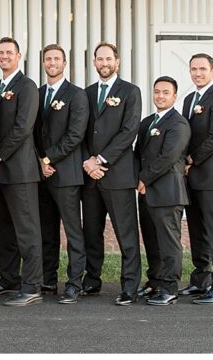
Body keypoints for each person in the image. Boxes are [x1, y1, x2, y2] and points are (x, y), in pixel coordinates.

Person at [81, 42, 143, 305]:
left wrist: (100, 160)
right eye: (99, 59)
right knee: (91, 233)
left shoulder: (130, 91)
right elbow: (80, 131)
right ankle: (92, 280)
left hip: (117, 174)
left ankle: (130, 286)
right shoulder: (86, 93)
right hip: (90, 176)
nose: (104, 63)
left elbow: (129, 131)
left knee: (126, 234)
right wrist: (87, 161)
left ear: (117, 61)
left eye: (108, 59)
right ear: (94, 63)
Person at [0, 37, 43, 307]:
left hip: (20, 170)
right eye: (1, 52)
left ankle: (32, 285)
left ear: (19, 56)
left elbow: (23, 128)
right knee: (5, 228)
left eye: (9, 52)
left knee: (27, 229)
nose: (4, 56)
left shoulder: (27, 86)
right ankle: (9, 278)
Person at [33, 44, 89, 304]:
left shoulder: (76, 95)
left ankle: (75, 283)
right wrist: (39, 161)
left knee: (72, 232)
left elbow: (75, 135)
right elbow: (33, 133)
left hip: (66, 174)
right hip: (42, 175)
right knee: (47, 231)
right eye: (48, 59)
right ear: (43, 63)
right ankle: (48, 279)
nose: (52, 62)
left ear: (65, 63)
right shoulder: (38, 92)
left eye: (56, 59)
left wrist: (48, 158)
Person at [180, 53, 213, 305]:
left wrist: (190, 160)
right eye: (193, 69)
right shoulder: (190, 99)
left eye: (202, 68)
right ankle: (200, 280)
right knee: (197, 231)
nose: (197, 73)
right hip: (192, 178)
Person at [136, 76, 191, 306]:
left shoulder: (178, 124)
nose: (160, 96)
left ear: (174, 96)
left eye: (166, 92)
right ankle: (155, 281)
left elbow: (167, 157)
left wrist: (144, 179)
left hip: (167, 192)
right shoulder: (147, 122)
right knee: (151, 240)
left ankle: (170, 288)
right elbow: (139, 153)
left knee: (169, 242)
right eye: (157, 92)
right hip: (147, 192)